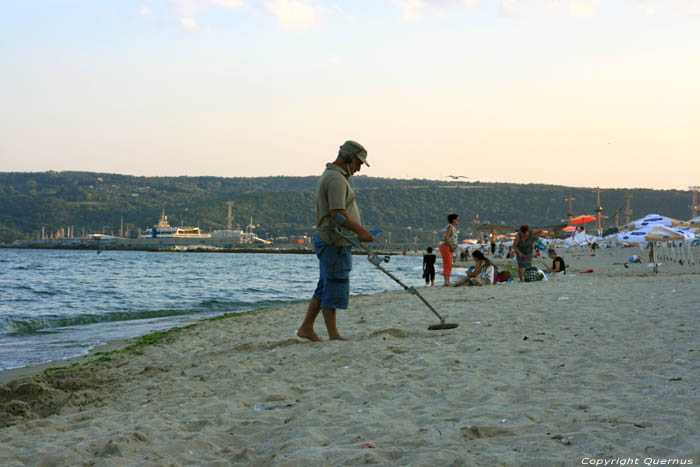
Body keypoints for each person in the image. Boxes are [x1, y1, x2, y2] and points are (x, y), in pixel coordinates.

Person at [296, 140, 374, 342]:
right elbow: (338, 214)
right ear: (348, 158)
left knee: (324, 286)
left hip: (331, 241)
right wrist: (362, 231)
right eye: (358, 163)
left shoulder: (333, 176)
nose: (358, 169)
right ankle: (333, 335)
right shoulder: (336, 179)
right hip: (333, 242)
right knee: (334, 284)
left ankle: (306, 327)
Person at [439, 213, 460, 286]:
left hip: (449, 247)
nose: (459, 221)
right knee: (447, 264)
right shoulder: (450, 227)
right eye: (458, 219)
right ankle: (446, 282)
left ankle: (447, 281)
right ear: (453, 220)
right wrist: (451, 247)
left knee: (449, 264)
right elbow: (446, 238)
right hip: (446, 247)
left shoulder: (452, 227)